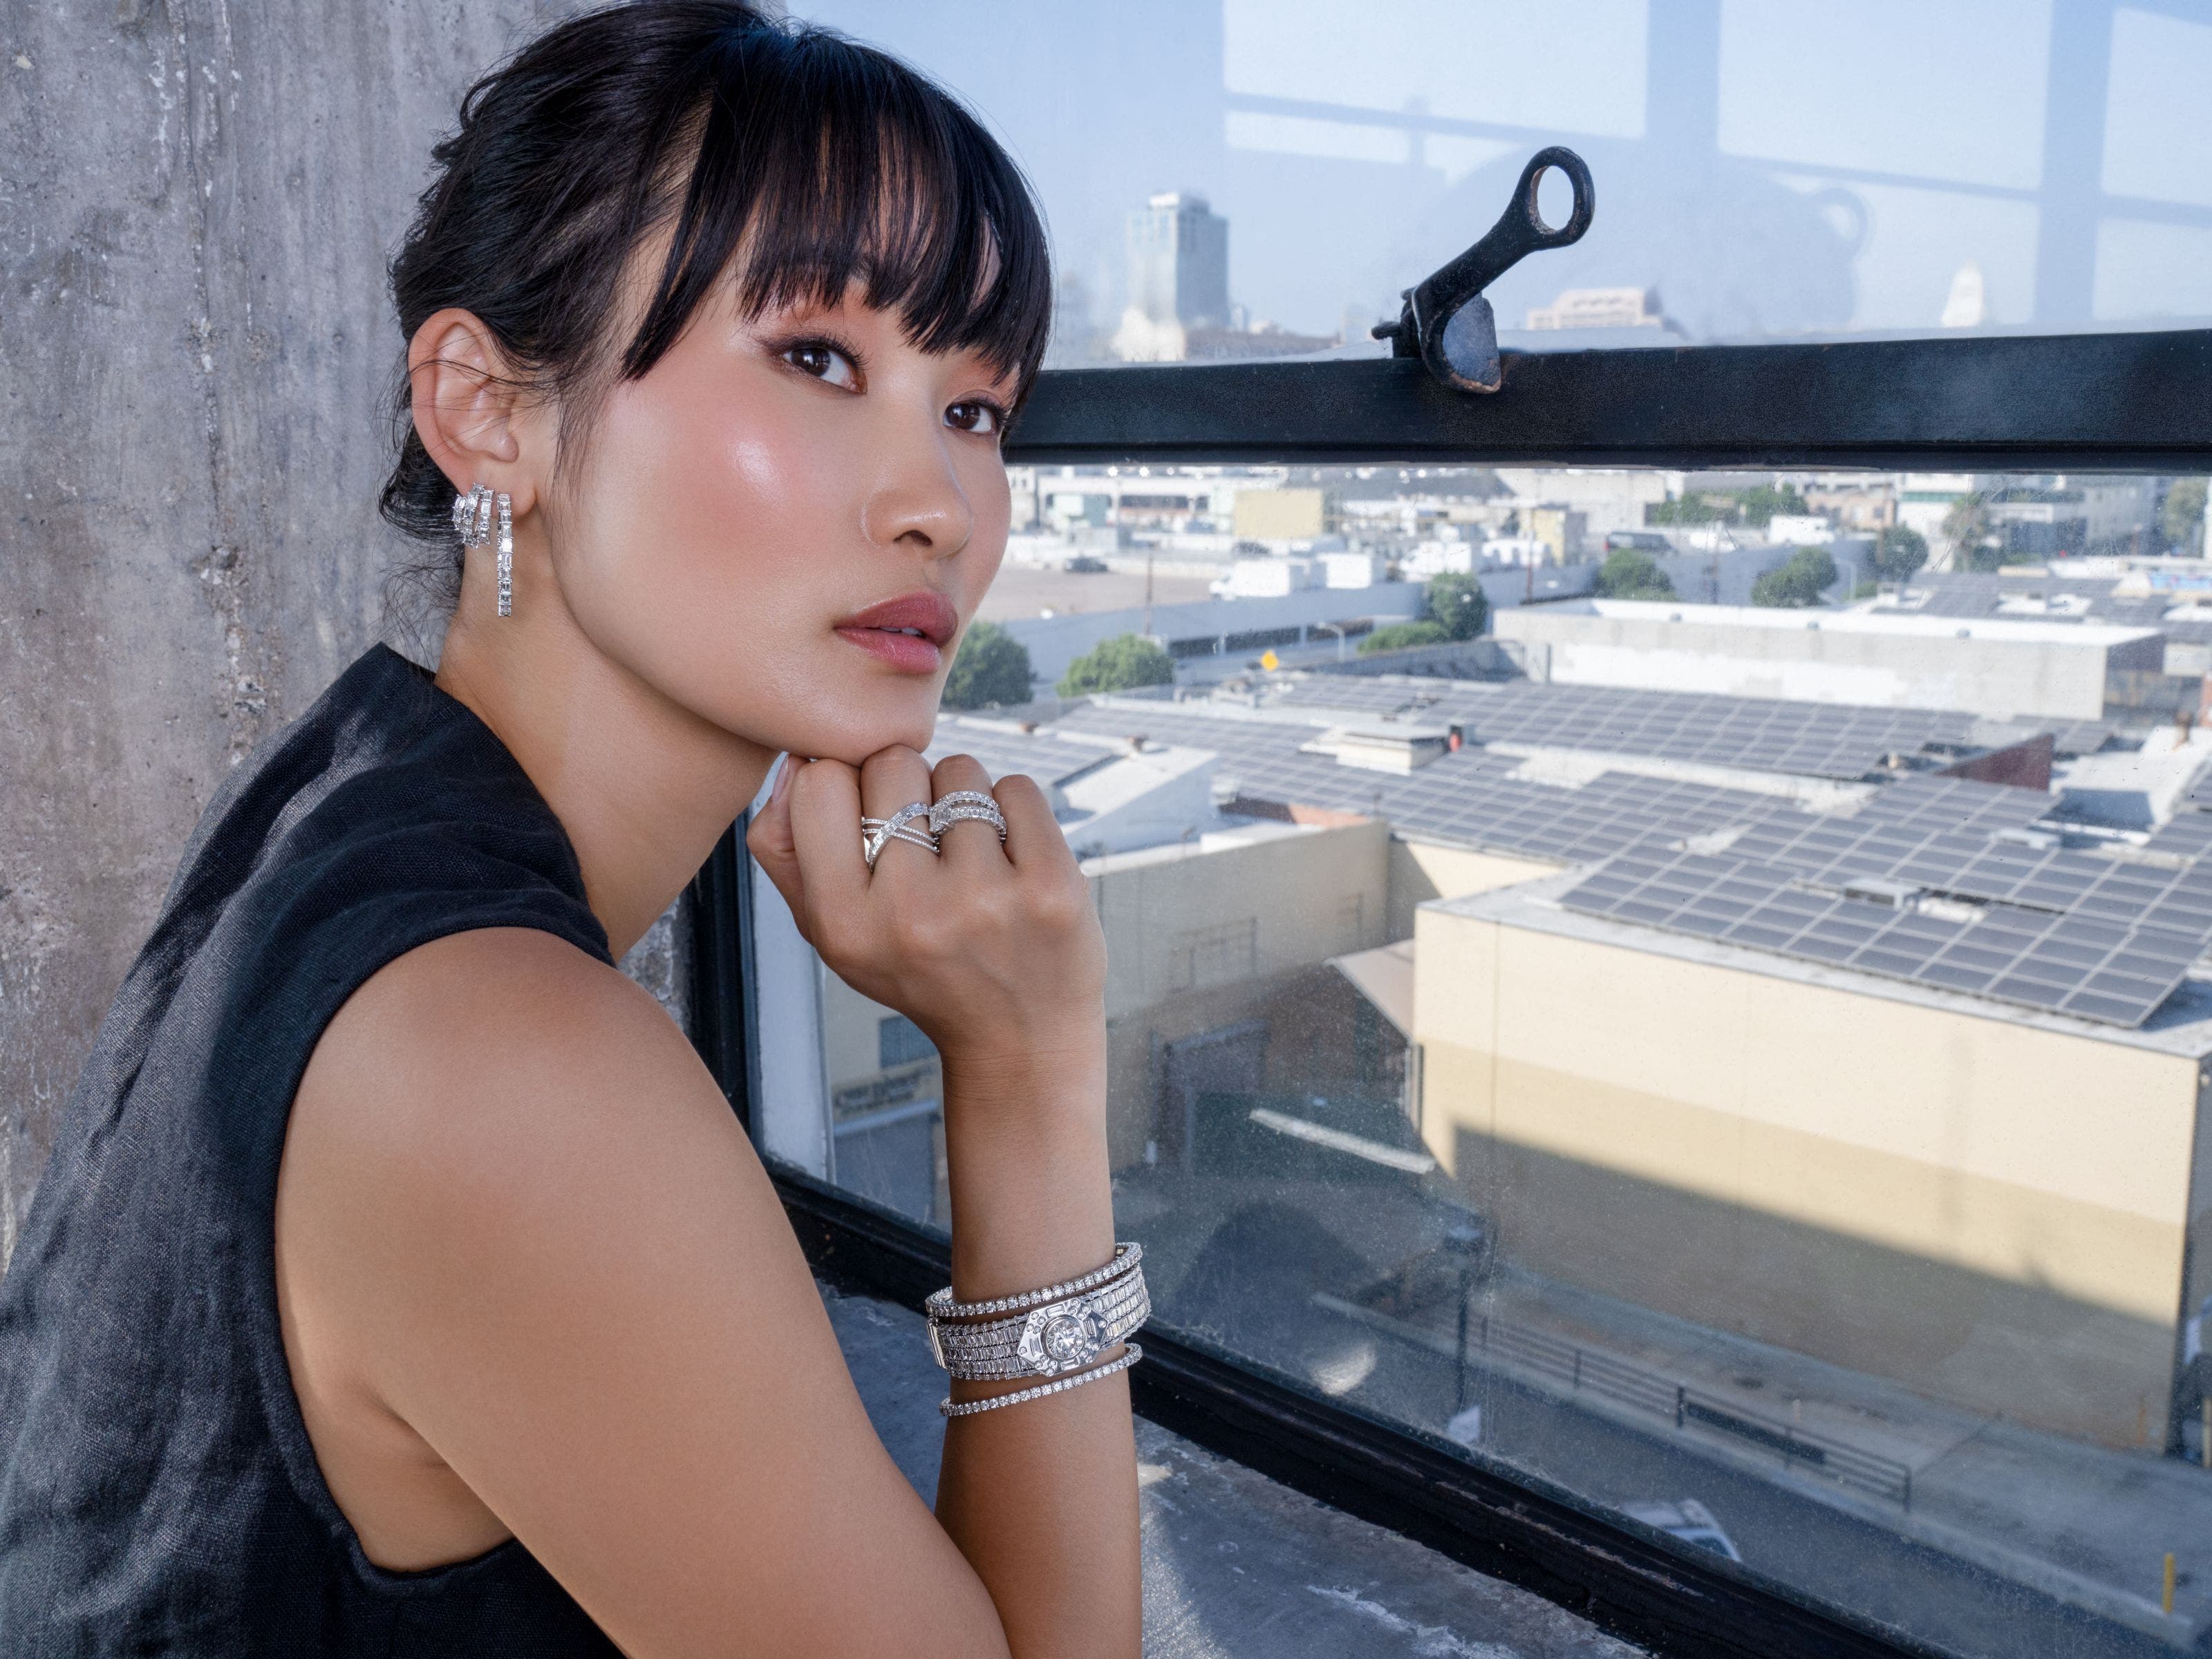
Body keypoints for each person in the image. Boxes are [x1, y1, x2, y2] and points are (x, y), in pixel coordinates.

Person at [0, 6, 1141, 1653]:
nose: (941, 507)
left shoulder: (350, 793)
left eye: (977, 407)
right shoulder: (500, 1062)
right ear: (488, 412)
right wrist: (1028, 1077)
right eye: (820, 358)